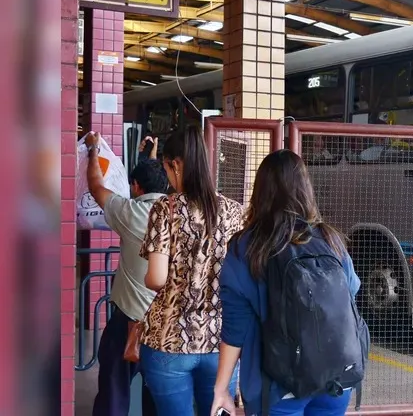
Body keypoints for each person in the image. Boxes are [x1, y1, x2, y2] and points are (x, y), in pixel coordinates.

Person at [210, 150, 362, 416]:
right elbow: (349, 295)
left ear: (260, 192)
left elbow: (235, 330)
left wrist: (222, 389)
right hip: (336, 380)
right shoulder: (331, 240)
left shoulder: (247, 248)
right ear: (306, 189)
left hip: (278, 387)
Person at [138, 125, 244, 416]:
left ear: (175, 164)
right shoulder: (235, 211)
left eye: (167, 169)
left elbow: (157, 279)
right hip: (221, 341)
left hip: (167, 339)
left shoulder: (165, 208)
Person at [85, 132, 168, 416]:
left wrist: (94, 150)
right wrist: (151, 158)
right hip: (169, 325)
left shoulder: (130, 213)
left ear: (135, 186)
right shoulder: (178, 215)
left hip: (129, 321)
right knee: (158, 393)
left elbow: (97, 187)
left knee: (114, 388)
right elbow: (152, 185)